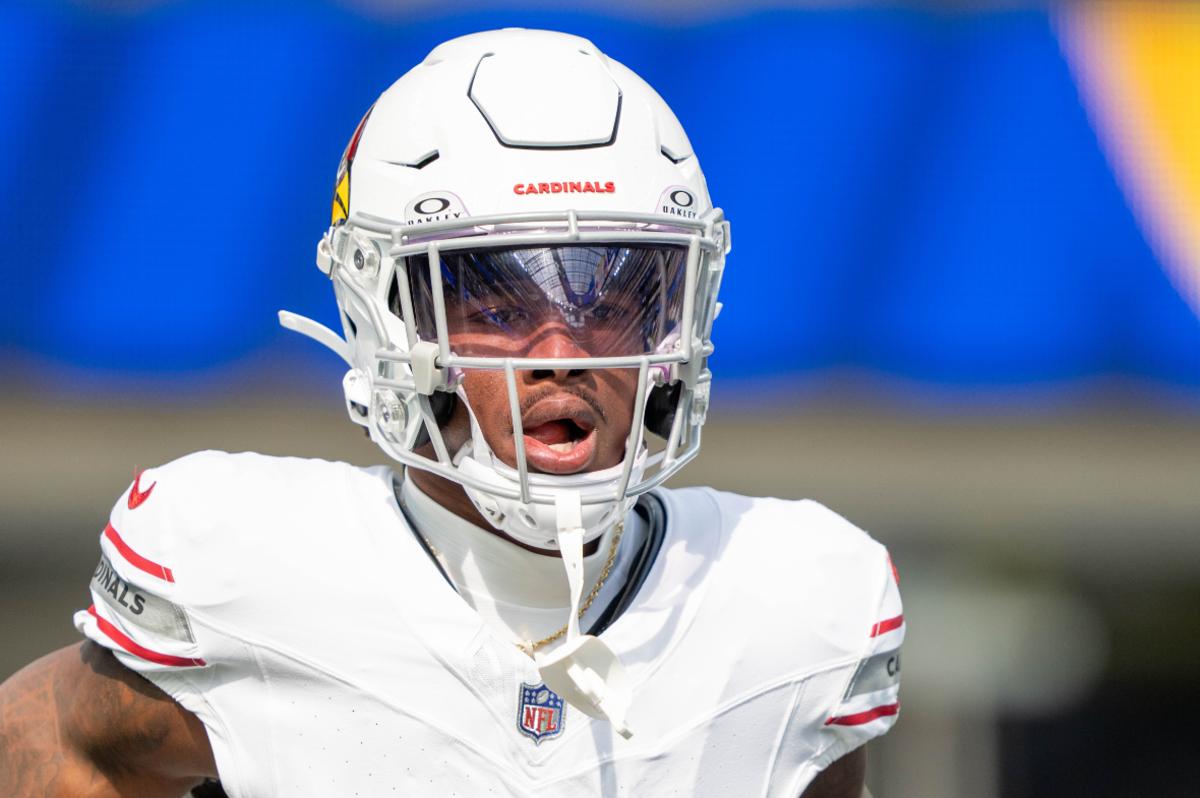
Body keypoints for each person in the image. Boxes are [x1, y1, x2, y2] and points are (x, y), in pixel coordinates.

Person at [0, 28, 902, 797]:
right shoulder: (242, 565)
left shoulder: (796, 604)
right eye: (499, 306)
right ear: (385, 315)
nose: (565, 354)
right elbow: (68, 746)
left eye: (614, 297)